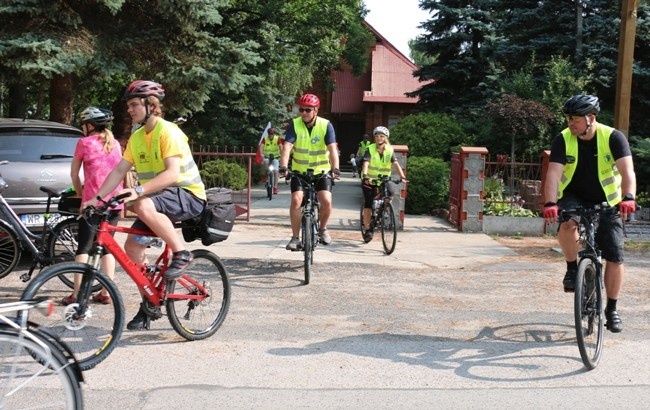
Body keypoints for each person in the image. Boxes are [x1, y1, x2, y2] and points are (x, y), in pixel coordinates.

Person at [86, 80, 207, 330]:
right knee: (131, 247)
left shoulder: (168, 131)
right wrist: (96, 199)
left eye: (133, 105)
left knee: (141, 205)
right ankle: (149, 303)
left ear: (151, 105)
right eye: (128, 105)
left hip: (187, 194)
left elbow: (173, 174)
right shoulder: (137, 136)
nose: (129, 110)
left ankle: (181, 253)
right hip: (159, 201)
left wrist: (137, 191)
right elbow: (119, 170)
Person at [542, 94, 636, 333]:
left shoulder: (613, 137)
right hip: (573, 195)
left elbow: (627, 172)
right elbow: (553, 174)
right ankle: (573, 267)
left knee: (614, 255)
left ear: (590, 118)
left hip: (608, 198)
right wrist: (551, 203)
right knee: (567, 224)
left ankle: (612, 310)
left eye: (574, 119)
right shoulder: (562, 139)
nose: (570, 123)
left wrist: (628, 198)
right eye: (568, 118)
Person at [62, 107, 124, 306]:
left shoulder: (83, 143)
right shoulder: (114, 143)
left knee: (84, 247)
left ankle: (78, 294)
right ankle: (107, 293)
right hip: (114, 201)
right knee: (107, 247)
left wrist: (81, 195)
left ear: (89, 126)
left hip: (93, 202)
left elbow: (74, 175)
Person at [279, 93, 339, 250]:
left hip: (321, 171)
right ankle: (295, 238)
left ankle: (323, 229)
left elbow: (332, 149)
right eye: (301, 109)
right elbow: (287, 147)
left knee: (326, 200)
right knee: (296, 200)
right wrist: (284, 166)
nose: (304, 113)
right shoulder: (295, 124)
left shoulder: (326, 125)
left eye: (308, 110)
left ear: (316, 111)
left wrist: (336, 168)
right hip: (299, 172)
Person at [360, 126, 407, 242]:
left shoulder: (390, 150)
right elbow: (366, 163)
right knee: (368, 203)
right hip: (369, 179)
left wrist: (402, 176)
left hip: (384, 179)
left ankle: (383, 209)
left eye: (381, 136)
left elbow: (395, 163)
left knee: (391, 192)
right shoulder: (370, 149)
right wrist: (365, 175)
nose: (379, 138)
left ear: (386, 138)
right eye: (376, 136)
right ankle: (367, 229)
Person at [260, 127, 283, 194]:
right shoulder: (265, 139)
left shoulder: (277, 138)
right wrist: (261, 153)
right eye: (269, 134)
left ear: (274, 134)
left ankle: (275, 187)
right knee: (265, 162)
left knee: (275, 171)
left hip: (275, 157)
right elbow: (261, 147)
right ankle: (264, 175)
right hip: (267, 156)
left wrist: (282, 154)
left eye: (272, 134)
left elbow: (281, 146)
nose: (270, 135)